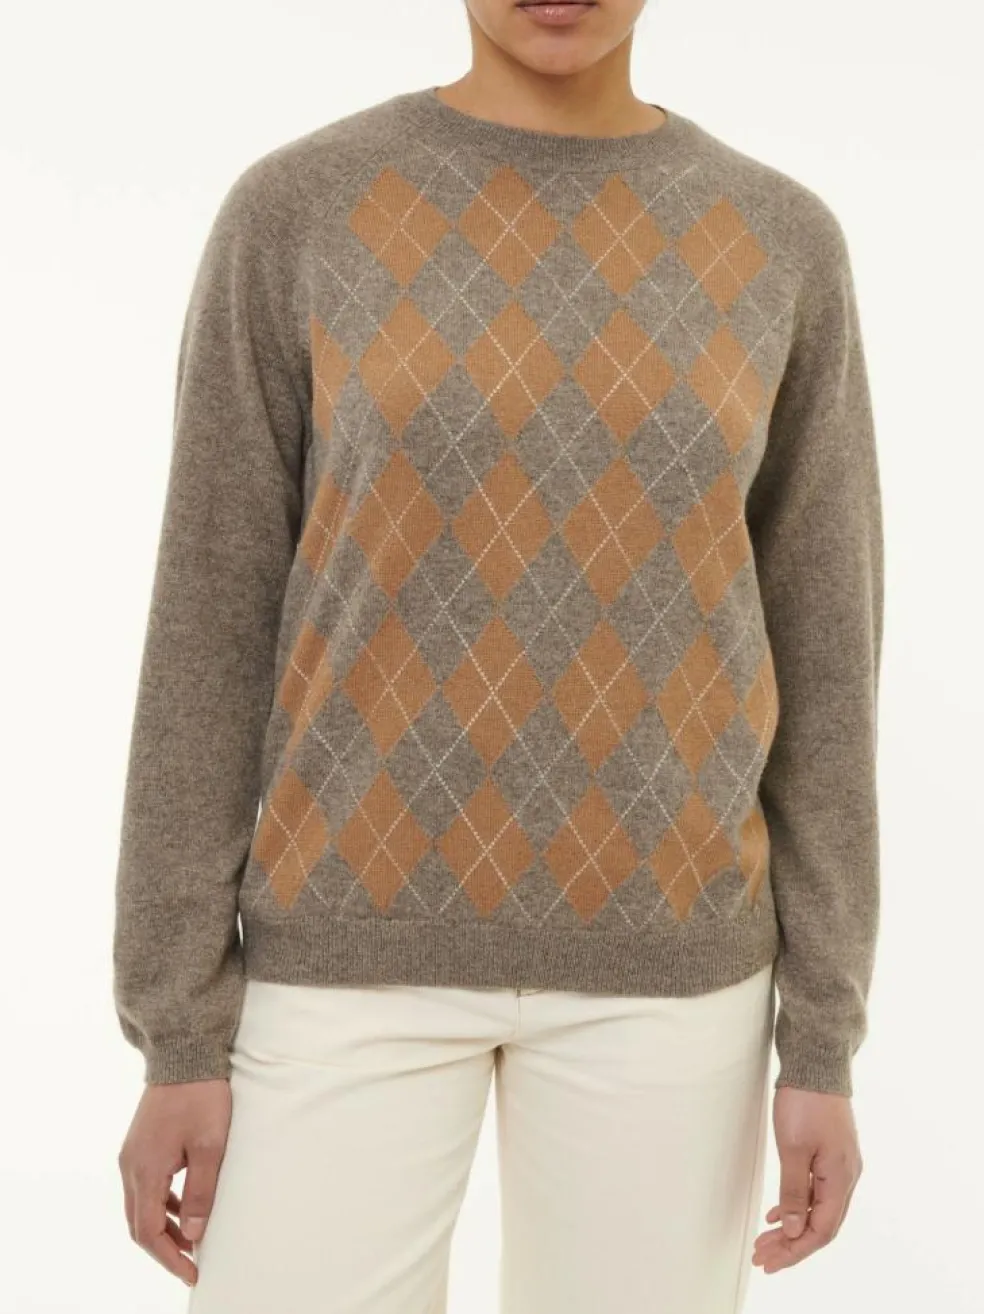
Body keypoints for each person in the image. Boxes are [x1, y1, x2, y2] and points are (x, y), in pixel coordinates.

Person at [113, 1, 884, 1309]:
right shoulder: (300, 211)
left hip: (672, 966)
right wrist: (176, 1022)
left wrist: (825, 1035)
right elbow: (208, 622)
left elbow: (828, 654)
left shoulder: (780, 240)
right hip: (343, 949)